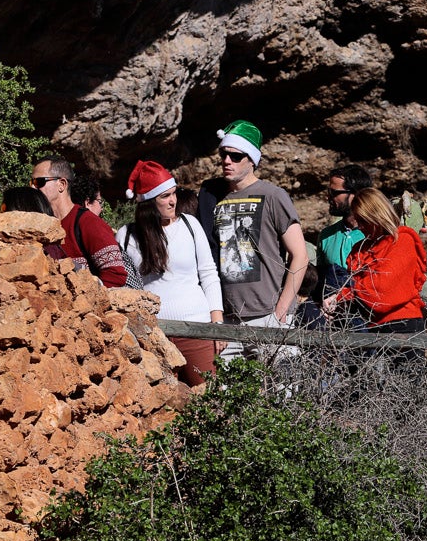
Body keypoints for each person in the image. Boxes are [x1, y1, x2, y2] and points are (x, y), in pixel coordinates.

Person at [196, 120, 308, 360]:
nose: (227, 161)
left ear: (252, 160)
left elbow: (300, 255)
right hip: (227, 319)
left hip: (267, 314)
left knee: (279, 393)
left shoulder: (273, 195)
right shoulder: (211, 196)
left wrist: (281, 310)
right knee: (227, 394)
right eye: (224, 154)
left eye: (236, 156)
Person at [119, 161, 223, 386]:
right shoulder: (127, 236)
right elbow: (123, 287)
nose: (173, 200)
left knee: (210, 401)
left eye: (174, 193)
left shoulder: (189, 224)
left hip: (198, 328)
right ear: (148, 201)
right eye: (165, 196)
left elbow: (208, 273)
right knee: (165, 409)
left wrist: (217, 323)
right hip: (154, 334)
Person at [323, 188, 427, 333]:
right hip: (370, 326)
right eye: (358, 221)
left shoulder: (402, 240)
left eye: (363, 221)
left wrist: (342, 295)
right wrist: (337, 301)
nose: (360, 227)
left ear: (376, 216)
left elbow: (380, 290)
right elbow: (355, 286)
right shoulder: (360, 249)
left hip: (403, 324)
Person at [32, 156, 127, 287]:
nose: (33, 187)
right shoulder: (40, 225)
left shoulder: (88, 223)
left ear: (62, 184)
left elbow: (116, 276)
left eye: (39, 182)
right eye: (31, 182)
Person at [316, 164, 373, 300]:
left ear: (356, 194)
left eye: (334, 193)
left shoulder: (377, 234)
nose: (328, 197)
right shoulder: (325, 236)